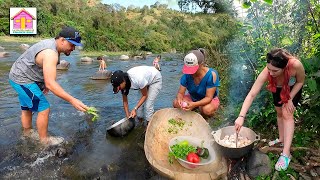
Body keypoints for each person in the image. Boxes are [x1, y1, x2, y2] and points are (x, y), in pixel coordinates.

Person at [9, 26, 89, 146]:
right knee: (44, 107)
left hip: (18, 75)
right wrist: (72, 100)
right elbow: (51, 83)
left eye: (75, 45)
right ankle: (44, 141)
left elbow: (46, 71)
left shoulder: (53, 45)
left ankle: (26, 133)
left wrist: (44, 83)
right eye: (72, 44)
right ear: (62, 40)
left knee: (27, 108)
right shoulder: (51, 53)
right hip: (23, 79)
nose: (73, 48)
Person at [234, 48, 305, 171]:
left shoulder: (296, 65)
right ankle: (281, 139)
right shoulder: (268, 71)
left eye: (275, 70)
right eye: (269, 69)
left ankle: (286, 153)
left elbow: (300, 81)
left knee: (286, 113)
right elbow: (252, 94)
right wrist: (241, 116)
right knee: (279, 112)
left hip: (292, 89)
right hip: (278, 88)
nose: (270, 73)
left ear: (285, 67)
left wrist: (289, 98)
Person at [172, 49, 220, 117]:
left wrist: (194, 104)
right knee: (176, 103)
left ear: (201, 64)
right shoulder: (186, 75)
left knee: (206, 110)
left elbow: (208, 98)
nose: (191, 72)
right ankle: (195, 108)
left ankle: (202, 110)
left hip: (208, 100)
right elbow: (180, 93)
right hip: (193, 98)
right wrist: (179, 99)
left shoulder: (211, 74)